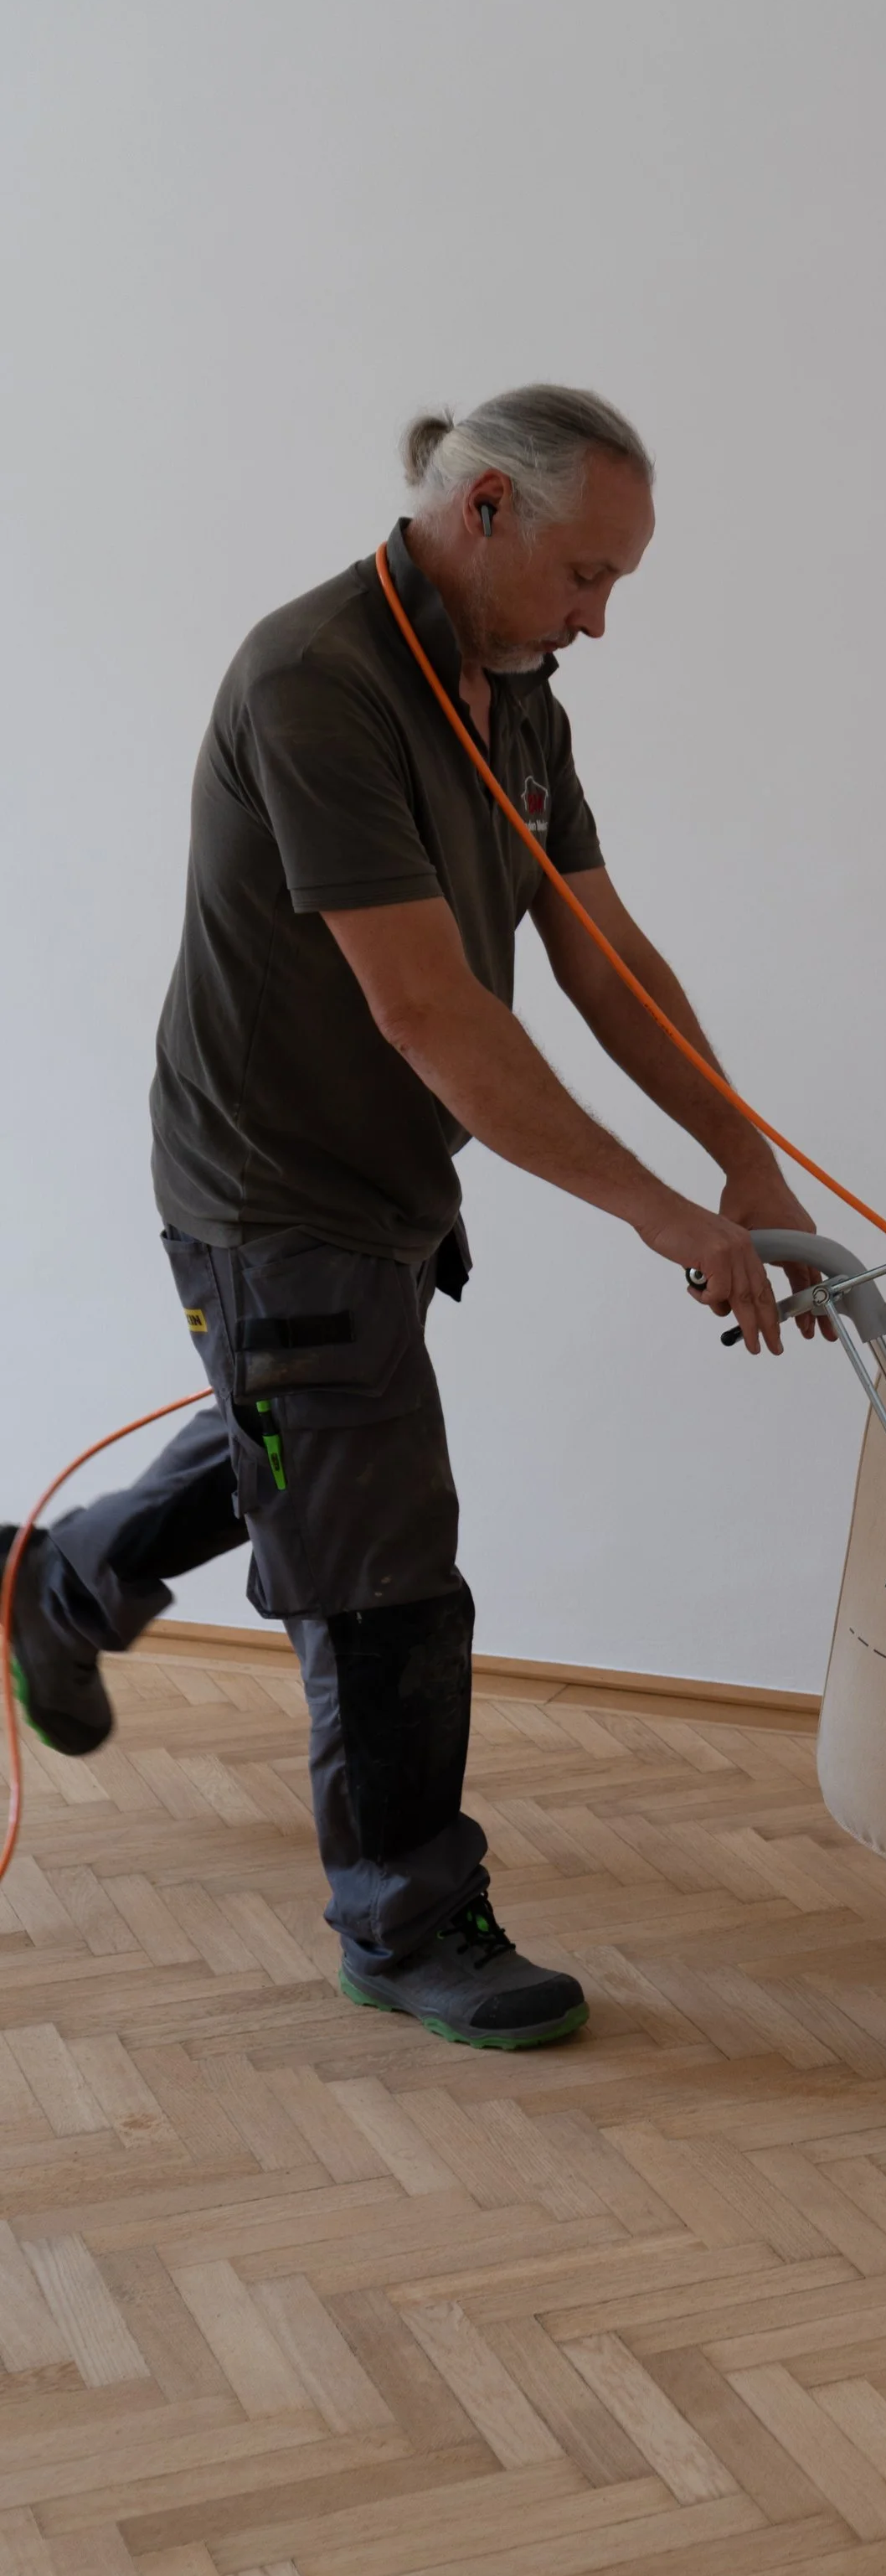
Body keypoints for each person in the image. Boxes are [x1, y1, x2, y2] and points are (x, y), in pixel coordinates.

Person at [3, 385, 823, 2048]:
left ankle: (56, 1584)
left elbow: (600, 954)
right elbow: (432, 1011)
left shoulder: (515, 696)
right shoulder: (316, 682)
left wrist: (742, 1156)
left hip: (386, 1175)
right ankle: (405, 1919)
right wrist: (663, 1215)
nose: (600, 620)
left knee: (302, 1434)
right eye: (587, 576)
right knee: (380, 1565)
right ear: (487, 511)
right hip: (271, 1181)